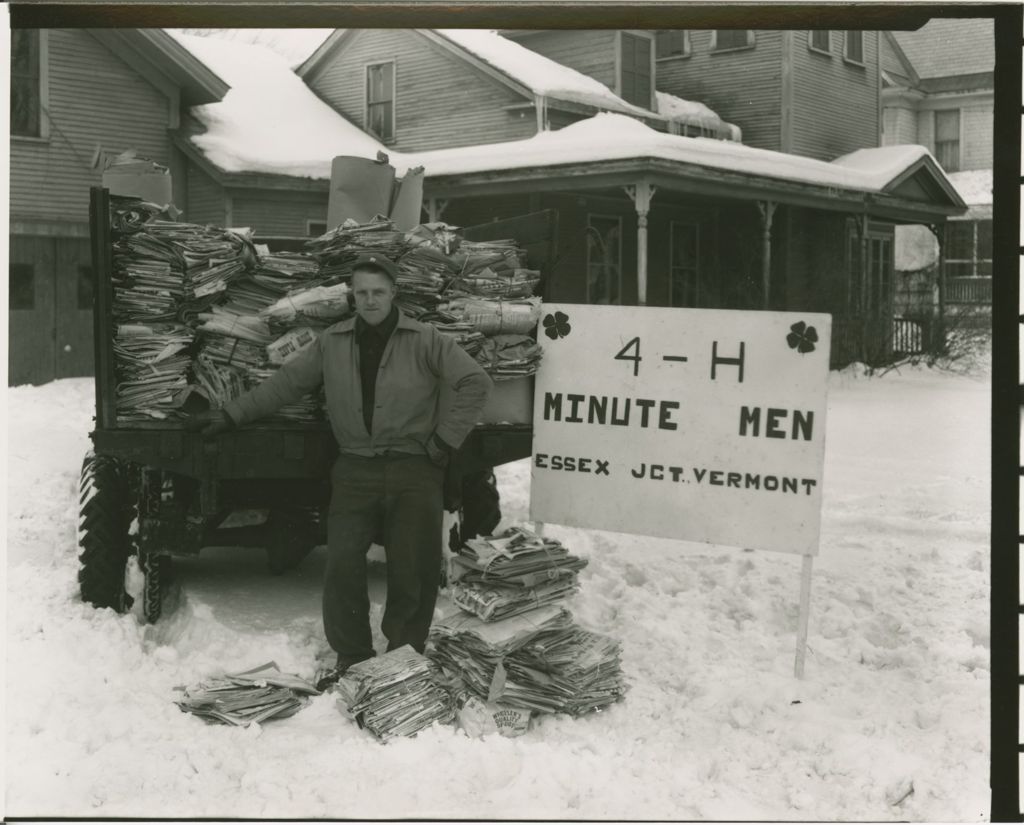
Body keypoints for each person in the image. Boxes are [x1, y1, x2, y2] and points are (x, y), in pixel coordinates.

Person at [187, 255, 492, 687]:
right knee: (343, 564)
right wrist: (231, 415)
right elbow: (286, 385)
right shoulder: (333, 342)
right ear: (353, 296)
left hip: (413, 470)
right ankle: (352, 656)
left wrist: (444, 441)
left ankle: (403, 658)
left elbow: (475, 381)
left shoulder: (426, 340)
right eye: (362, 293)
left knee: (413, 569)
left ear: (393, 294)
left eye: (378, 292)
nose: (370, 300)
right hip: (354, 469)